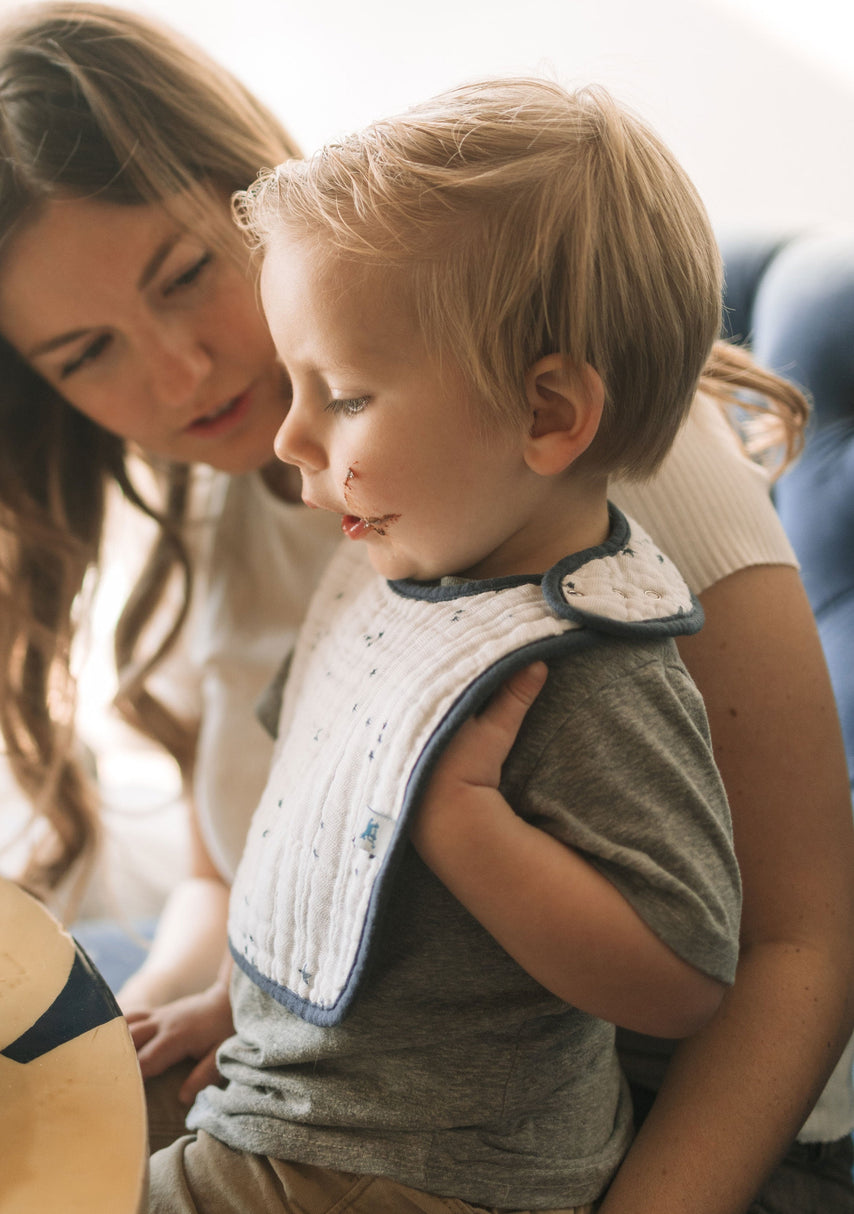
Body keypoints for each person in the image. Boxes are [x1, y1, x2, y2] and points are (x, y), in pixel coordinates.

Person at [0, 4, 854, 1211]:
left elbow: (798, 949)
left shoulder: (578, 467)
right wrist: (155, 1034)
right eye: (84, 353)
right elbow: (231, 867)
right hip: (320, 1095)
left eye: (187, 275)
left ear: (249, 196)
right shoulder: (251, 492)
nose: (181, 374)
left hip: (670, 1143)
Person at [145, 76, 748, 1212]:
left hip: (416, 1174)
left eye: (344, 394)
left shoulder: (577, 663)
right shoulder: (400, 586)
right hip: (294, 1112)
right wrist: (230, 1000)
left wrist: (466, 824)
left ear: (545, 414)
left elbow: (681, 978)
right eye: (293, 384)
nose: (287, 434)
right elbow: (326, 860)